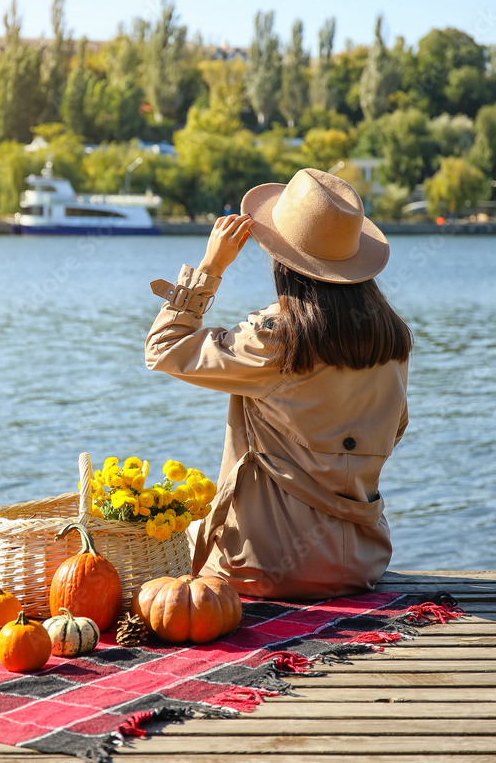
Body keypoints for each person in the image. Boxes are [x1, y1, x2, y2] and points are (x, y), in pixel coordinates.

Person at [145, 168, 412, 600]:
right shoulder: (391, 340)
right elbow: (395, 429)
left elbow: (163, 347)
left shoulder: (276, 339)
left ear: (283, 259)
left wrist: (209, 269)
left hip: (262, 565)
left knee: (149, 538)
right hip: (362, 561)